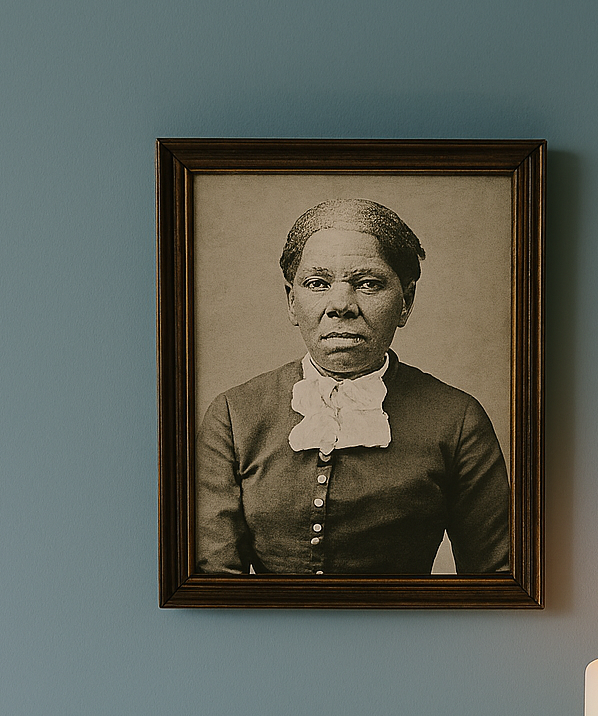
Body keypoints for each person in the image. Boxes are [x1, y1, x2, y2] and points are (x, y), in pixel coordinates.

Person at [195, 199, 511, 577]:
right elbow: (212, 585)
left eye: (368, 284)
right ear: (292, 301)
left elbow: (497, 582)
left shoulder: (457, 420)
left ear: (405, 301)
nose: (341, 305)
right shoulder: (234, 415)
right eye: (317, 283)